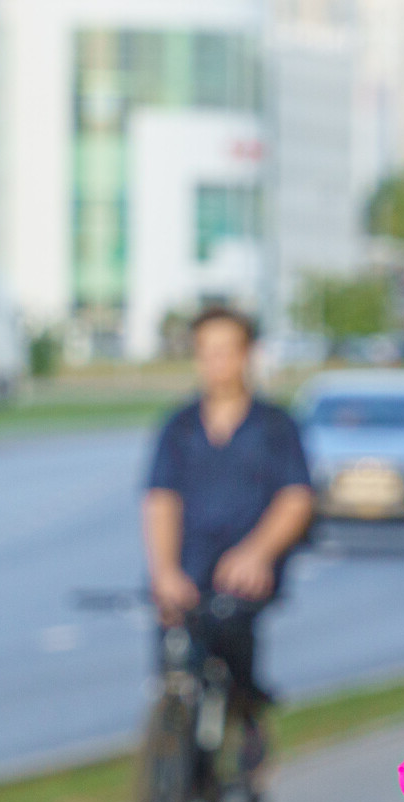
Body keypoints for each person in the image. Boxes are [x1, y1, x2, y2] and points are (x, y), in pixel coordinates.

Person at [141, 305, 314, 718]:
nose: (215, 362)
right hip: (190, 563)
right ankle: (172, 761)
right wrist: (164, 569)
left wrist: (257, 553)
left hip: (246, 566)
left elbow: (296, 498)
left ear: (247, 354)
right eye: (206, 351)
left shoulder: (275, 426)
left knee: (234, 638)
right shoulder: (178, 427)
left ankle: (245, 723)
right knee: (174, 663)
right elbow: (160, 498)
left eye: (226, 350)